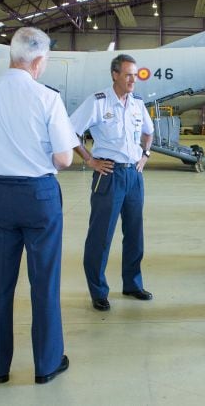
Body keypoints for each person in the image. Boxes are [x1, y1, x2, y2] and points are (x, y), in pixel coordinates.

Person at [0, 27, 75, 384]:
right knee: (44, 284)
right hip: (39, 197)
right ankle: (47, 365)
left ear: (12, 55)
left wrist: (1, 158)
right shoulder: (47, 98)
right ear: (38, 62)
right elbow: (65, 158)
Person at [70, 54, 155, 311]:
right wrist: (89, 160)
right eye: (128, 74)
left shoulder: (137, 103)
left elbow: (148, 132)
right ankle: (98, 290)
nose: (133, 80)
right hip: (108, 175)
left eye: (135, 74)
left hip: (133, 176)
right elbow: (70, 130)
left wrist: (145, 155)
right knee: (101, 236)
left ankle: (132, 284)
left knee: (134, 234)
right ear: (115, 75)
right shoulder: (98, 102)